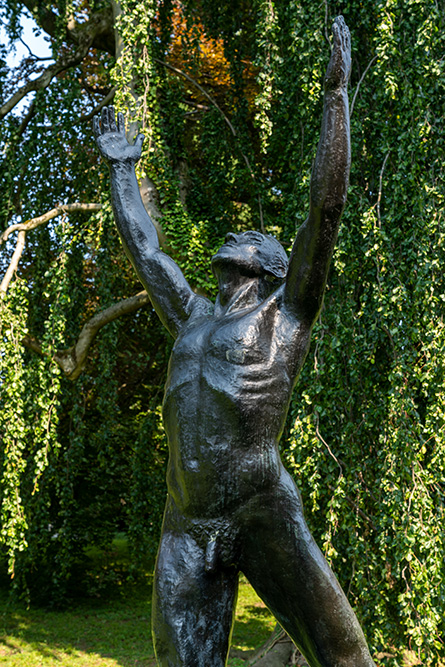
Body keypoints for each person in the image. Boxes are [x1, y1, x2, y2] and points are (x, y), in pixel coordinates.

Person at [94, 16, 375, 667]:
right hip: (186, 523)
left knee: (339, 652)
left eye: (250, 236)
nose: (236, 233)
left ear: (272, 265)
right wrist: (121, 171)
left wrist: (335, 96)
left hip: (259, 510)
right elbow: (146, 250)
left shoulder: (287, 314)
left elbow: (324, 208)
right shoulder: (191, 314)